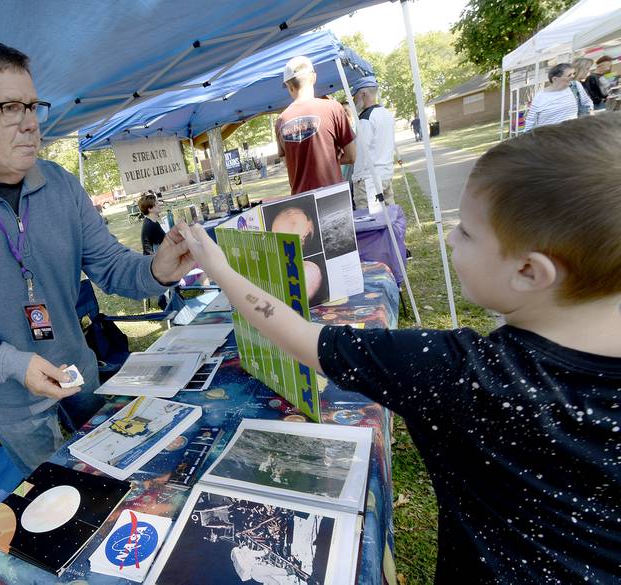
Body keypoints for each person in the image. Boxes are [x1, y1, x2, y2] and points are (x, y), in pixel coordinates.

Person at [176, 114, 621, 583]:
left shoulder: (463, 372)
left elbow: (305, 340)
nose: (449, 236)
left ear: (531, 272)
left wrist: (221, 269)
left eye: (466, 231)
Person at [0, 41, 194, 475]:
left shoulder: (61, 186)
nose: (31, 124)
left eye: (33, 106)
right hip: (10, 401)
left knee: (122, 471)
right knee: (63, 496)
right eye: (10, 108)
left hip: (81, 373)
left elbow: (109, 264)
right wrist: (12, 364)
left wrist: (156, 270)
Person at [275, 56, 355, 194]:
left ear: (288, 86)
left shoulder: (281, 121)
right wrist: (331, 161)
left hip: (302, 201)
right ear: (313, 77)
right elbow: (352, 156)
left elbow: (287, 163)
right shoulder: (333, 108)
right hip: (333, 195)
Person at [350, 76, 396, 210]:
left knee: (371, 223)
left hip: (369, 180)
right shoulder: (386, 113)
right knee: (389, 218)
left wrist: (357, 179)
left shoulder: (366, 118)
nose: (354, 100)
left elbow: (359, 152)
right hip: (385, 175)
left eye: (355, 96)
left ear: (363, 94)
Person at [525, 63, 592, 131]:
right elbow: (530, 120)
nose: (573, 77)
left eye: (573, 73)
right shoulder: (540, 96)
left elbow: (587, 103)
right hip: (549, 137)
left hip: (572, 134)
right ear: (555, 79)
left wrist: (588, 117)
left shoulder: (575, 86)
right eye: (569, 75)